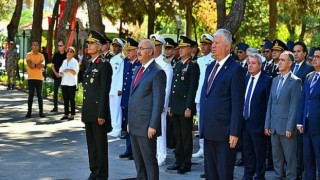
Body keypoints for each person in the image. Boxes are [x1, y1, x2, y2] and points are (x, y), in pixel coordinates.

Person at [199, 29, 245, 180]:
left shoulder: (236, 69)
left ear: (227, 46)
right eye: (213, 42)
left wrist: (234, 132)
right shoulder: (210, 67)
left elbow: (238, 104)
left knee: (224, 174)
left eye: (217, 43)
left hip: (224, 134)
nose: (213, 46)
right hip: (209, 130)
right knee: (210, 175)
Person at [128, 39, 166, 180]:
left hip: (146, 126)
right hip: (135, 123)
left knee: (149, 162)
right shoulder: (138, 69)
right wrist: (129, 122)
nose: (138, 51)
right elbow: (133, 97)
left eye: (142, 48)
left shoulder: (157, 72)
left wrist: (153, 125)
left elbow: (158, 101)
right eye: (138, 48)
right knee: (139, 163)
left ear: (150, 51)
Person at [265, 51, 301, 180]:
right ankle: (277, 177)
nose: (279, 62)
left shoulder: (296, 82)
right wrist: (267, 124)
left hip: (287, 128)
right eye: (279, 59)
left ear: (290, 63)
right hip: (274, 127)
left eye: (283, 60)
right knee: (277, 159)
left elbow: (294, 107)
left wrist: (290, 127)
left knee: (290, 160)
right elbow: (270, 104)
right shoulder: (274, 80)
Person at [167, 35, 200, 174]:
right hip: (176, 105)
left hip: (185, 106)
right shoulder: (178, 64)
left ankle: (186, 163)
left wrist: (189, 107)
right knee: (177, 135)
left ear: (189, 49)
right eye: (179, 48)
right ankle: (178, 160)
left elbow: (192, 88)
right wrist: (170, 105)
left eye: (183, 48)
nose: (180, 50)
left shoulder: (192, 65)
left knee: (186, 136)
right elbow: (173, 87)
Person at [82, 30, 112, 180]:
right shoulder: (89, 63)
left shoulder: (104, 66)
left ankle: (102, 173)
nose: (89, 45)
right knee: (91, 145)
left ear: (100, 47)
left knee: (100, 145)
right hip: (88, 111)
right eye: (88, 43)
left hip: (98, 112)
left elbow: (103, 93)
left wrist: (102, 114)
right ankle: (94, 170)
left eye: (92, 43)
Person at [242, 53, 272, 180]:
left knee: (259, 152)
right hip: (245, 121)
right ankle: (248, 174)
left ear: (260, 65)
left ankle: (260, 175)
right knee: (247, 150)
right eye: (249, 63)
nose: (250, 65)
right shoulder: (246, 78)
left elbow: (269, 104)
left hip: (259, 123)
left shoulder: (267, 80)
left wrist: (267, 124)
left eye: (253, 63)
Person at [291, 41, 314, 179]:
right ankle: (292, 170)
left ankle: (299, 172)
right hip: (290, 109)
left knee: (301, 146)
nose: (296, 54)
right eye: (294, 51)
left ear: (305, 53)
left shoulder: (309, 69)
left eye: (298, 51)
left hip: (301, 109)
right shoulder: (291, 66)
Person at [297, 47, 320, 180]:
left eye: (317, 56)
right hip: (306, 127)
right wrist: (300, 121)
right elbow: (303, 101)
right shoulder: (309, 77)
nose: (314, 59)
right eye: (313, 56)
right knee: (308, 159)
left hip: (318, 127)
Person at [150, 34, 173, 166]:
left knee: (160, 129)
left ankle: (161, 155)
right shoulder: (151, 62)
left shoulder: (164, 64)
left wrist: (163, 103)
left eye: (156, 46)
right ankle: (154, 153)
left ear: (161, 47)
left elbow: (167, 86)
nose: (154, 49)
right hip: (150, 101)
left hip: (159, 102)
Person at [118, 37, 140, 160]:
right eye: (127, 50)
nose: (128, 52)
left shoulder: (139, 63)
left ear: (136, 51)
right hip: (126, 98)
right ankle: (128, 149)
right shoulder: (126, 61)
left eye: (130, 50)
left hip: (133, 100)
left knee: (133, 126)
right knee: (127, 125)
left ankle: (134, 151)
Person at [193, 34, 214, 159]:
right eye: (202, 44)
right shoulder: (199, 60)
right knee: (201, 124)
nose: (203, 46)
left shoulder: (214, 60)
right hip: (199, 94)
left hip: (209, 96)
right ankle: (202, 147)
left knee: (208, 123)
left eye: (206, 44)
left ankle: (208, 148)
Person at [108, 38, 125, 138]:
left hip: (117, 89)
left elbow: (122, 75)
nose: (114, 48)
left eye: (117, 46)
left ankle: (117, 129)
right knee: (112, 109)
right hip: (111, 87)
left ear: (121, 48)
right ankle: (114, 127)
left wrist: (120, 88)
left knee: (117, 109)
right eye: (113, 46)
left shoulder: (122, 59)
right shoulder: (113, 58)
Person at [25, 40, 46, 118]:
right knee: (31, 95)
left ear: (38, 46)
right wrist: (38, 65)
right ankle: (29, 112)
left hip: (39, 78)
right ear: (31, 46)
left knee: (40, 96)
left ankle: (41, 112)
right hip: (31, 78)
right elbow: (30, 65)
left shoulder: (41, 55)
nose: (35, 46)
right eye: (34, 45)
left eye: (37, 45)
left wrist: (35, 64)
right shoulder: (28, 55)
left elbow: (43, 65)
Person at [59, 46, 79, 121]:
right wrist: (60, 73)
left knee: (71, 99)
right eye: (68, 51)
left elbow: (75, 72)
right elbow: (60, 70)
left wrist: (69, 70)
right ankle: (66, 114)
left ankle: (72, 114)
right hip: (64, 82)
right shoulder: (64, 61)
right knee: (65, 99)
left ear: (73, 54)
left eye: (71, 51)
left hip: (71, 83)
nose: (69, 53)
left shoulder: (75, 61)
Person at [51, 40, 66, 112]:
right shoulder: (56, 54)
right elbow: (52, 66)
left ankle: (66, 108)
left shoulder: (67, 55)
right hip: (56, 76)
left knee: (65, 92)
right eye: (58, 46)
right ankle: (55, 107)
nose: (59, 47)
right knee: (55, 91)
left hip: (65, 77)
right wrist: (56, 73)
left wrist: (62, 74)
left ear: (64, 46)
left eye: (60, 45)